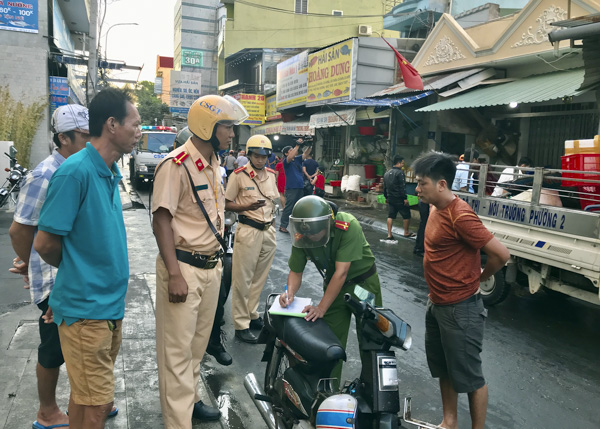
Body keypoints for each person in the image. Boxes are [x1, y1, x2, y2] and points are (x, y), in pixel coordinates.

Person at [33, 88, 141, 429]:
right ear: (112, 124)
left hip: (108, 308)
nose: (140, 132)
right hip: (86, 312)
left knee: (86, 400)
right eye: (135, 124)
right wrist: (76, 278)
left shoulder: (109, 172)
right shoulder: (74, 173)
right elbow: (44, 243)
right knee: (97, 406)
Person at [151, 94, 248, 429]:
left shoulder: (216, 165)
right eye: (227, 127)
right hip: (184, 269)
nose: (232, 134)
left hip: (211, 267)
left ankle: (189, 403)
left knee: (195, 349)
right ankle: (178, 422)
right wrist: (175, 274)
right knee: (177, 355)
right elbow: (161, 219)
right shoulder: (175, 165)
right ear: (207, 126)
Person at [8, 104, 106, 429]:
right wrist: (28, 265)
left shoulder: (84, 168)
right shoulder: (45, 174)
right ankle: (47, 413)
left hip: (80, 276)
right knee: (55, 348)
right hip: (56, 279)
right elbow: (20, 229)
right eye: (84, 136)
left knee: (87, 347)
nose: (92, 142)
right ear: (63, 138)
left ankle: (88, 402)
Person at [411, 151, 509, 429]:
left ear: (442, 184)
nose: (417, 189)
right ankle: (449, 422)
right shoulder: (434, 207)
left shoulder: (460, 215)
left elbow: (501, 255)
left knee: (470, 377)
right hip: (437, 303)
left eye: (422, 183)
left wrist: (479, 278)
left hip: (461, 308)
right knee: (444, 368)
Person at [279, 195, 383, 385]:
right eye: (307, 233)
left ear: (328, 223)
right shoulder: (303, 234)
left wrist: (321, 308)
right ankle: (328, 391)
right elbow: (296, 270)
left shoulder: (348, 225)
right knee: (330, 342)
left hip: (363, 285)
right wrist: (290, 293)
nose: (311, 237)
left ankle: (371, 391)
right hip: (334, 288)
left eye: (315, 233)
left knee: (371, 339)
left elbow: (341, 273)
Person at [225, 134, 278, 344]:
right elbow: (226, 203)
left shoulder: (271, 175)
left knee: (259, 278)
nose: (260, 160)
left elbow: (273, 203)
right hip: (248, 229)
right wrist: (246, 207)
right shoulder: (238, 176)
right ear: (249, 155)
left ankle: (252, 314)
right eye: (257, 156)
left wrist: (272, 224)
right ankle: (241, 324)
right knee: (242, 279)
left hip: (268, 231)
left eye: (264, 157)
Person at [279, 139, 312, 233]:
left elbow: (306, 154)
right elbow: (290, 156)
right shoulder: (286, 161)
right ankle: (283, 225)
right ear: (286, 153)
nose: (293, 151)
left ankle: (299, 226)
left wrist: (310, 145)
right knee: (289, 207)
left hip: (300, 186)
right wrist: (297, 145)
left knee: (299, 207)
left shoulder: (297, 160)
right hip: (292, 187)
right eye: (290, 150)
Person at [383, 154, 413, 240]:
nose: (403, 165)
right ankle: (406, 232)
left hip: (390, 198)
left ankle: (389, 234)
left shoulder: (387, 173)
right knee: (406, 215)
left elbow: (385, 187)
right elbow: (402, 187)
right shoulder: (400, 173)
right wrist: (405, 198)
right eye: (402, 163)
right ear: (399, 163)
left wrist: (386, 197)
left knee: (390, 215)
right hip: (399, 198)